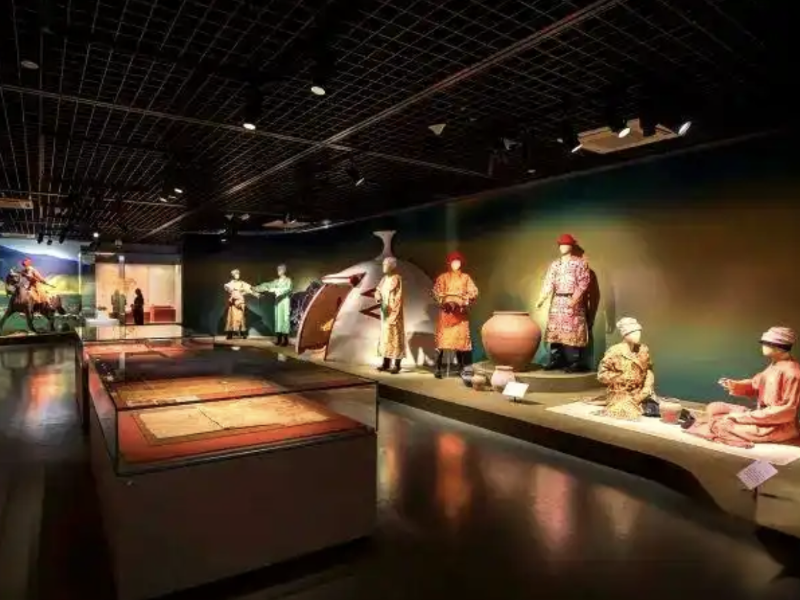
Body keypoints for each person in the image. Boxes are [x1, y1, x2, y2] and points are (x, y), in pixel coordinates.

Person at [685, 327, 800, 448]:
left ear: (778, 346)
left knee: (722, 426)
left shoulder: (792, 373)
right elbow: (755, 384)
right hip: (761, 415)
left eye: (765, 343)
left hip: (778, 425)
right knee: (715, 407)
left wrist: (742, 417)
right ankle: (726, 423)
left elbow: (786, 412)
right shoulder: (774, 365)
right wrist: (734, 385)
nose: (763, 346)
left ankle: (725, 427)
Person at [535, 234, 591, 373]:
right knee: (555, 332)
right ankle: (556, 360)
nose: (562, 247)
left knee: (573, 332)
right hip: (557, 301)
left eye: (565, 244)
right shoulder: (555, 265)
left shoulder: (580, 263)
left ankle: (574, 362)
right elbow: (549, 282)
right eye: (560, 245)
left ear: (571, 246)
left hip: (572, 302)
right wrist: (541, 299)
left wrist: (575, 299)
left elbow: (584, 282)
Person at [593, 317, 655, 420]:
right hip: (620, 392)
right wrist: (622, 378)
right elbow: (602, 375)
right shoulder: (615, 351)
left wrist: (647, 389)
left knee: (658, 408)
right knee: (626, 411)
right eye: (633, 332)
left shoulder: (643, 349)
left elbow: (649, 370)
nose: (638, 335)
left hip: (640, 391)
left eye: (639, 331)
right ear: (625, 334)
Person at [431, 251, 479, 378]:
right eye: (453, 262)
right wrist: (444, 303)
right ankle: (437, 368)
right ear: (449, 263)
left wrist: (463, 302)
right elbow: (436, 292)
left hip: (460, 314)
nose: (455, 264)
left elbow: (473, 292)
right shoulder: (443, 277)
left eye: (458, 262)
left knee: (461, 341)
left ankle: (463, 367)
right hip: (446, 314)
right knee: (442, 341)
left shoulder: (466, 278)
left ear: (461, 263)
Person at [374, 257, 405, 374]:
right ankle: (386, 362)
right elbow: (377, 290)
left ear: (392, 266)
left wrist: (395, 313)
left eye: (386, 264)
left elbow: (399, 297)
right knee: (386, 337)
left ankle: (397, 364)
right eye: (383, 264)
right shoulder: (384, 279)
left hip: (394, 312)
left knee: (395, 337)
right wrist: (378, 296)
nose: (384, 266)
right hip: (385, 311)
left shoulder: (397, 278)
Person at [254, 265, 293, 346]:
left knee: (285, 320)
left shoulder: (288, 280)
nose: (278, 271)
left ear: (284, 270)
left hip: (285, 302)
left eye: (280, 269)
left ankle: (285, 340)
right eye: (278, 270)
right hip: (278, 302)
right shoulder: (276, 281)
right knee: (278, 320)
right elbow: (267, 285)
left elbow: (288, 289)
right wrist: (256, 288)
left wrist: (276, 290)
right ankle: (279, 339)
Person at [224, 269, 258, 339]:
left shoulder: (242, 283)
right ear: (233, 275)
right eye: (236, 274)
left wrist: (256, 293)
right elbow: (229, 289)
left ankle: (243, 332)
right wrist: (233, 294)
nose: (237, 275)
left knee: (241, 317)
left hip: (240, 302)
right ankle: (230, 333)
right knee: (232, 317)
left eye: (238, 274)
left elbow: (249, 289)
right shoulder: (230, 284)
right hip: (233, 303)